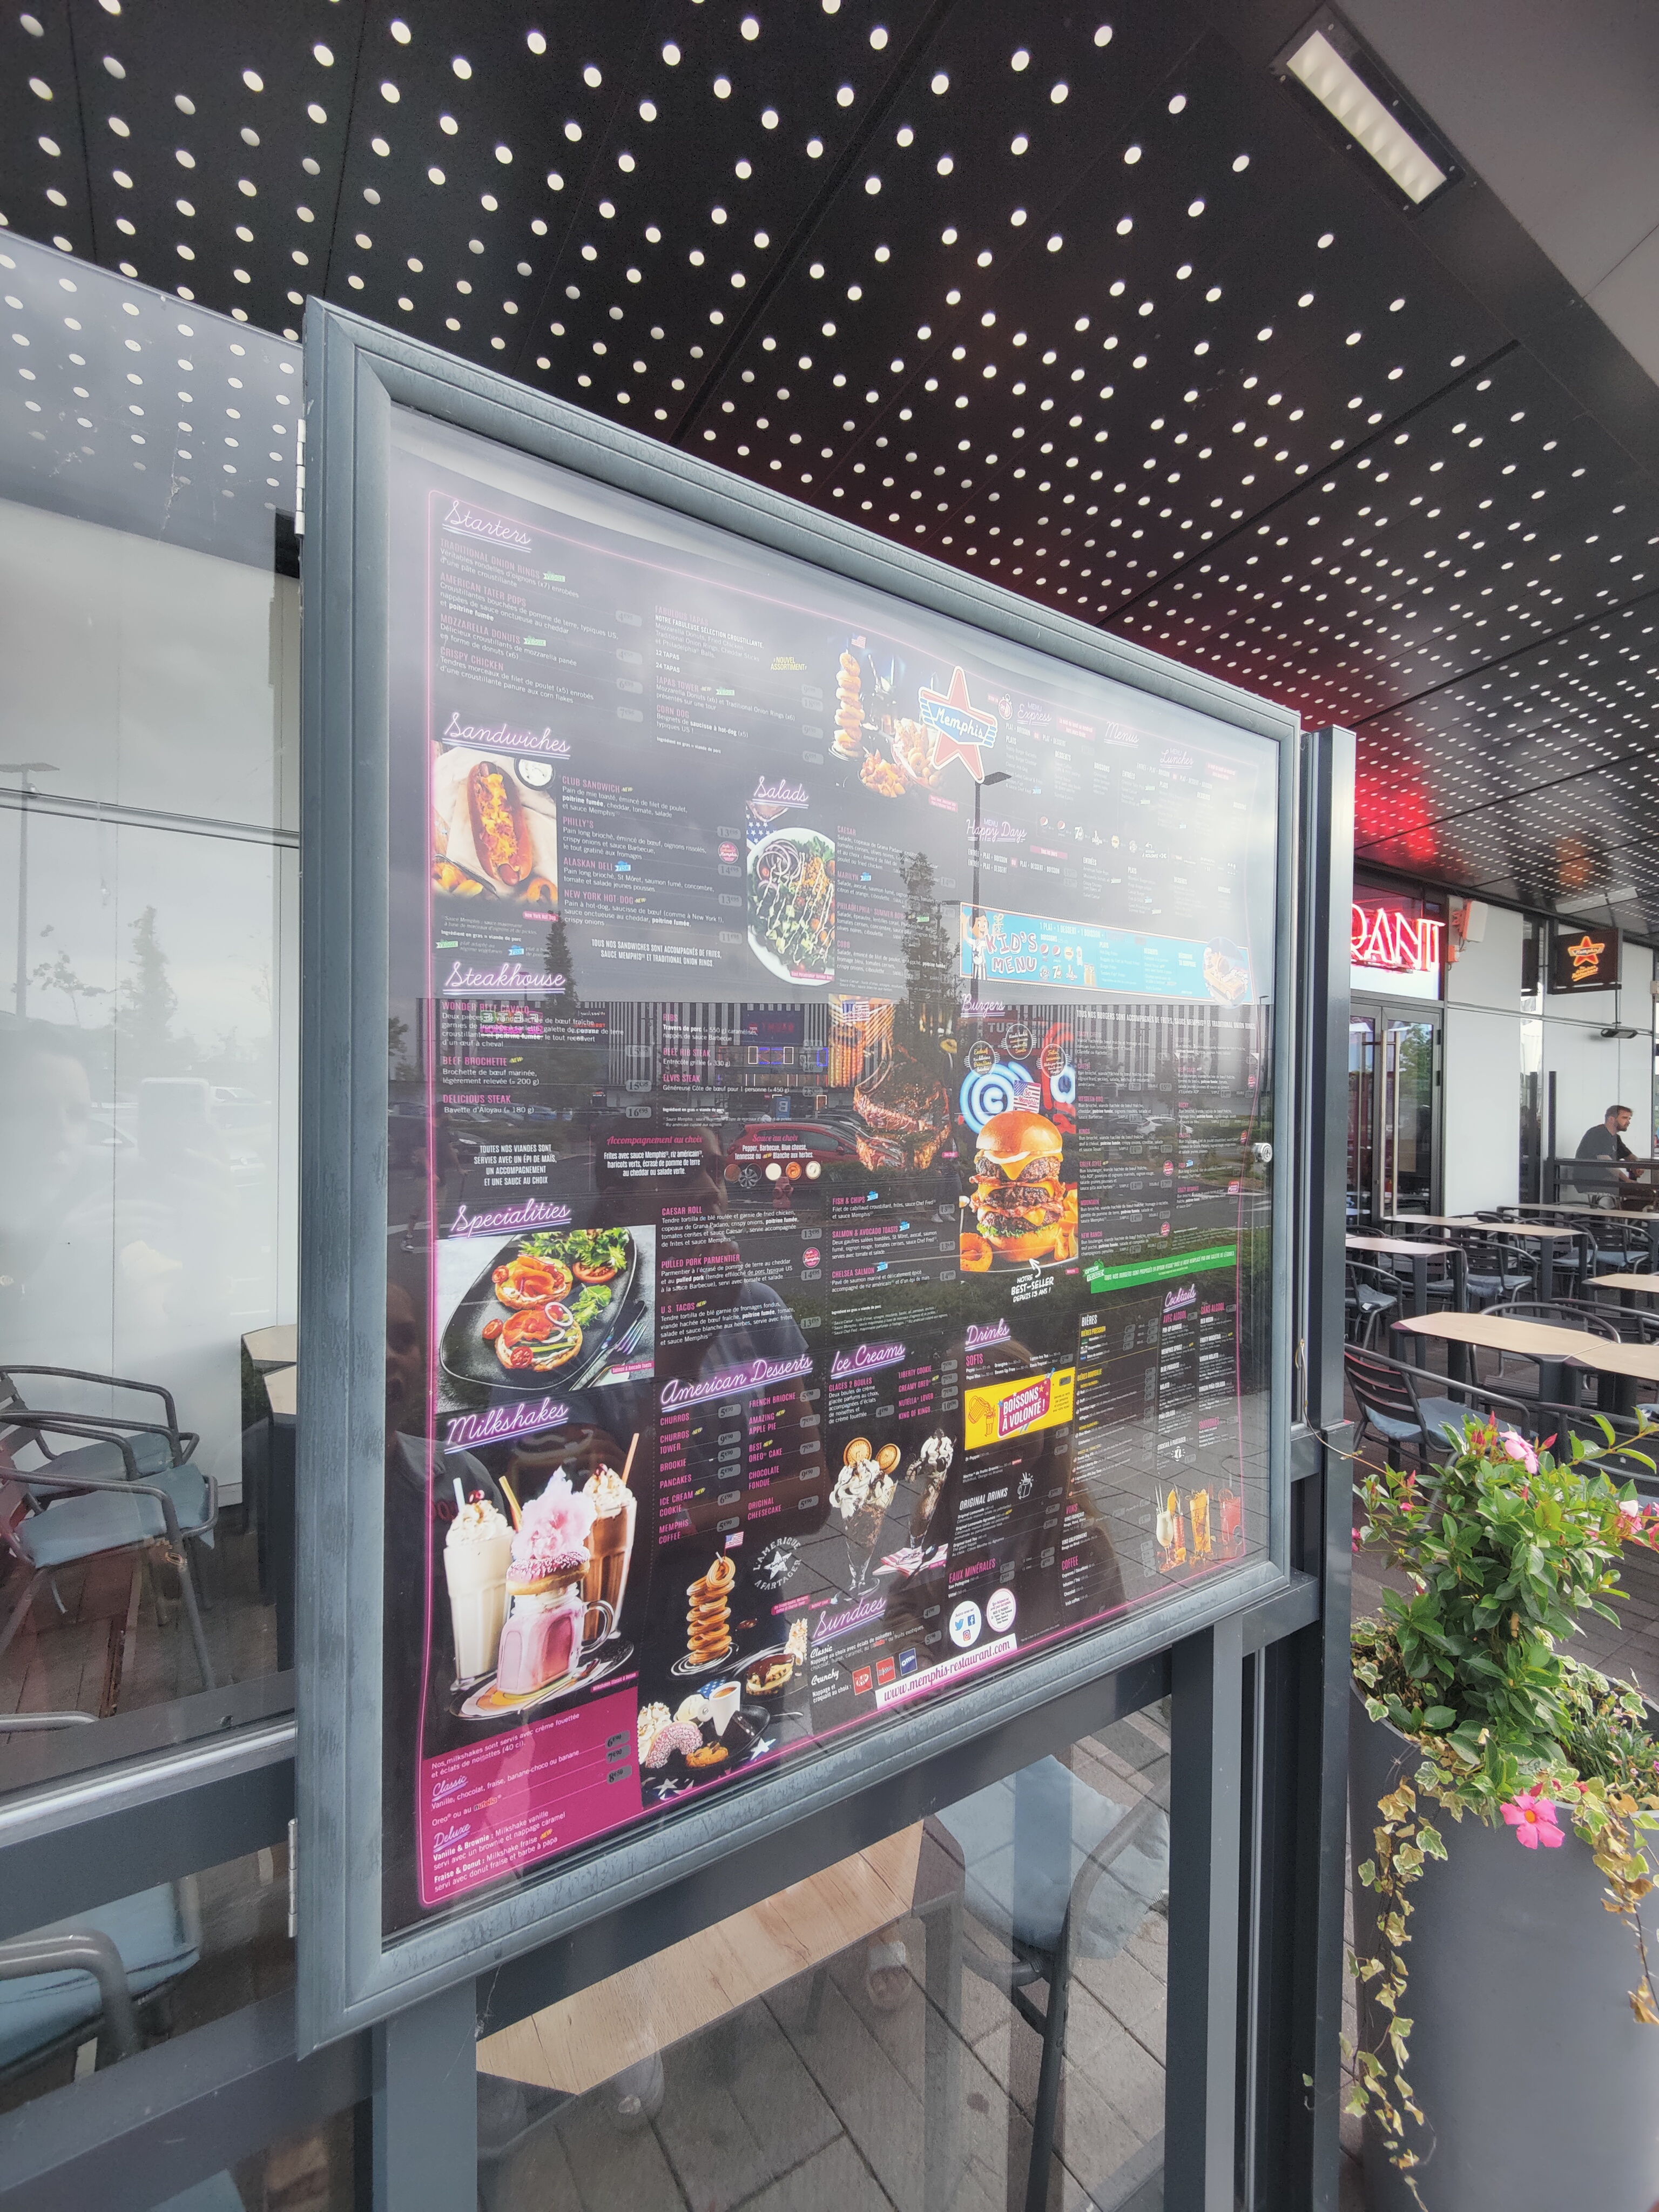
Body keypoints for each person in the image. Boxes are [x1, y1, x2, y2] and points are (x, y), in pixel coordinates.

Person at [1575, 1104, 1646, 1205]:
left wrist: (1638, 1165)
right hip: (1593, 1181)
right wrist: (1627, 1180)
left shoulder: (1616, 1138)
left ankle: (1616, 1213)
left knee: (1646, 1192)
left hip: (1608, 1180)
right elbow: (1606, 1162)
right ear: (1612, 1119)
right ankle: (1616, 1214)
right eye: (1624, 1118)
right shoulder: (1597, 1133)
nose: (1628, 1122)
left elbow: (1630, 1156)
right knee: (1645, 1194)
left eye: (1629, 1119)